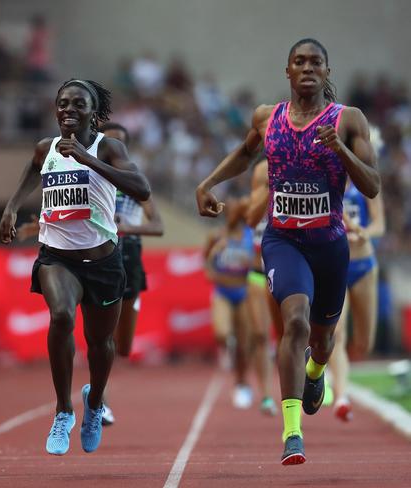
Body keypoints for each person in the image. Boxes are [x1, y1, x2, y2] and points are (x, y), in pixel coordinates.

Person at [195, 39, 380, 465]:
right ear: (288, 71)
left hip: (329, 244)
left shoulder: (348, 119)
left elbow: (372, 186)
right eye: (300, 61)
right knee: (294, 322)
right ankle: (292, 433)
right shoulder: (268, 117)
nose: (308, 67)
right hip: (283, 240)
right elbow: (244, 155)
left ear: (327, 72)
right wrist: (207, 185)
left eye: (316, 62)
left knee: (323, 339)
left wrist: (342, 150)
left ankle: (316, 372)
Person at [0, 79, 150, 456]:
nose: (69, 109)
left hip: (103, 261)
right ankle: (64, 410)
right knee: (62, 317)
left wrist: (88, 159)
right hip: (57, 256)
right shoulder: (45, 148)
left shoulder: (107, 147)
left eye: (78, 104)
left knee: (101, 345)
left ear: (93, 113)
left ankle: (94, 404)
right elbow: (33, 170)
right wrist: (13, 206)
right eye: (63, 103)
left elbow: (142, 188)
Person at [16, 121, 163, 426]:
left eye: (117, 142)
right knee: (68, 318)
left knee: (119, 346)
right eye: (107, 139)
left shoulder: (129, 183)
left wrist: (127, 227)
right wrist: (38, 225)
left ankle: (94, 393)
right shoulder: (78, 169)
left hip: (127, 261)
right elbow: (63, 204)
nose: (108, 144)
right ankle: (96, 403)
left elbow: (158, 226)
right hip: (85, 254)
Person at [328, 179, 385, 421]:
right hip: (335, 265)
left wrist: (363, 233)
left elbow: (379, 225)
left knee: (363, 343)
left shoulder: (365, 182)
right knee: (338, 332)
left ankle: (333, 369)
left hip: (363, 266)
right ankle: (341, 397)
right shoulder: (327, 179)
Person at [203, 197, 255, 409]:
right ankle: (229, 348)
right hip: (223, 292)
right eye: (230, 212)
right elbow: (207, 267)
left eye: (237, 212)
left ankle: (242, 383)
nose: (233, 215)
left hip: (243, 292)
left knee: (245, 344)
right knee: (222, 334)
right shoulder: (216, 236)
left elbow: (256, 264)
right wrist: (215, 252)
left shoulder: (250, 237)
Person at [245, 159, 282, 415]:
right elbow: (247, 222)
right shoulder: (254, 199)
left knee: (286, 336)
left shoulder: (295, 194)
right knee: (260, 336)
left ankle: (291, 392)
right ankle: (267, 395)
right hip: (257, 275)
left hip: (282, 272)